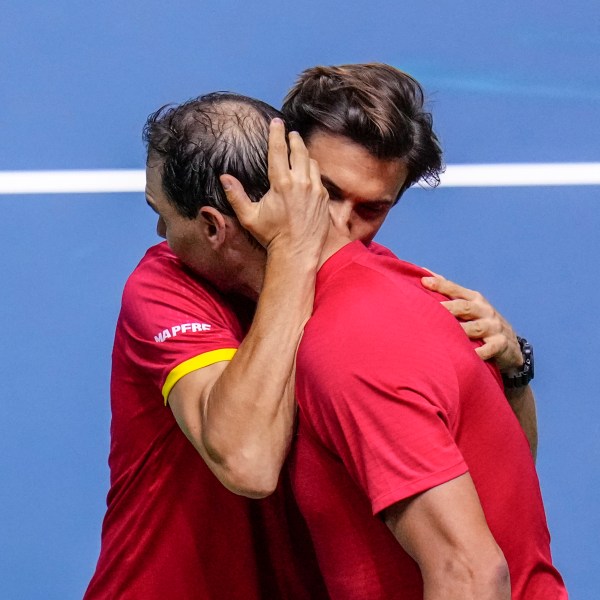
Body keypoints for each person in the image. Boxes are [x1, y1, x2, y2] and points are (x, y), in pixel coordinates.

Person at [85, 65, 538, 597]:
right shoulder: (165, 285)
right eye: (324, 192)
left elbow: (493, 480)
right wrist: (294, 261)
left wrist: (514, 369)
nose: (339, 225)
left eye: (372, 208)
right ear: (287, 172)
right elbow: (247, 459)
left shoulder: (381, 309)